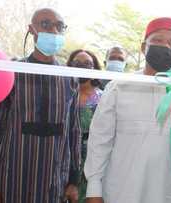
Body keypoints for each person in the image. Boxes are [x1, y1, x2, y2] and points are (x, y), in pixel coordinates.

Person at [84, 17, 171, 203]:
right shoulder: (119, 87)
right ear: (143, 47)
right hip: (121, 192)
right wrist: (94, 190)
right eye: (157, 41)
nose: (165, 46)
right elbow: (99, 141)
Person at [0, 8, 81, 203]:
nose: (53, 31)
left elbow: (74, 130)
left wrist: (74, 179)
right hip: (14, 174)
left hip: (55, 175)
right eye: (45, 24)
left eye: (59, 26)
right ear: (32, 30)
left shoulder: (70, 77)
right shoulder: (13, 73)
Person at [67, 49, 103, 203]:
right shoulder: (64, 93)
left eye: (88, 64)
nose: (82, 67)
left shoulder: (104, 97)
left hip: (93, 157)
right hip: (66, 156)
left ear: (94, 67)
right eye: (77, 64)